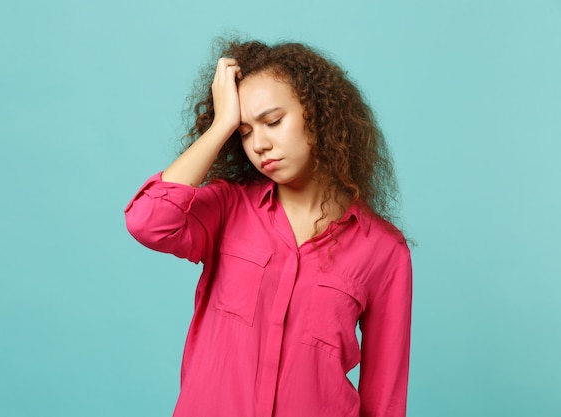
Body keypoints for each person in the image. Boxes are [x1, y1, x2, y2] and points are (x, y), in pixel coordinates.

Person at [124, 39, 412, 417]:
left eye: (273, 122)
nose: (259, 144)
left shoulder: (384, 251)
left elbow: (384, 399)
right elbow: (148, 221)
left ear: (319, 114)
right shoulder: (228, 209)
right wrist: (220, 126)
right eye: (244, 132)